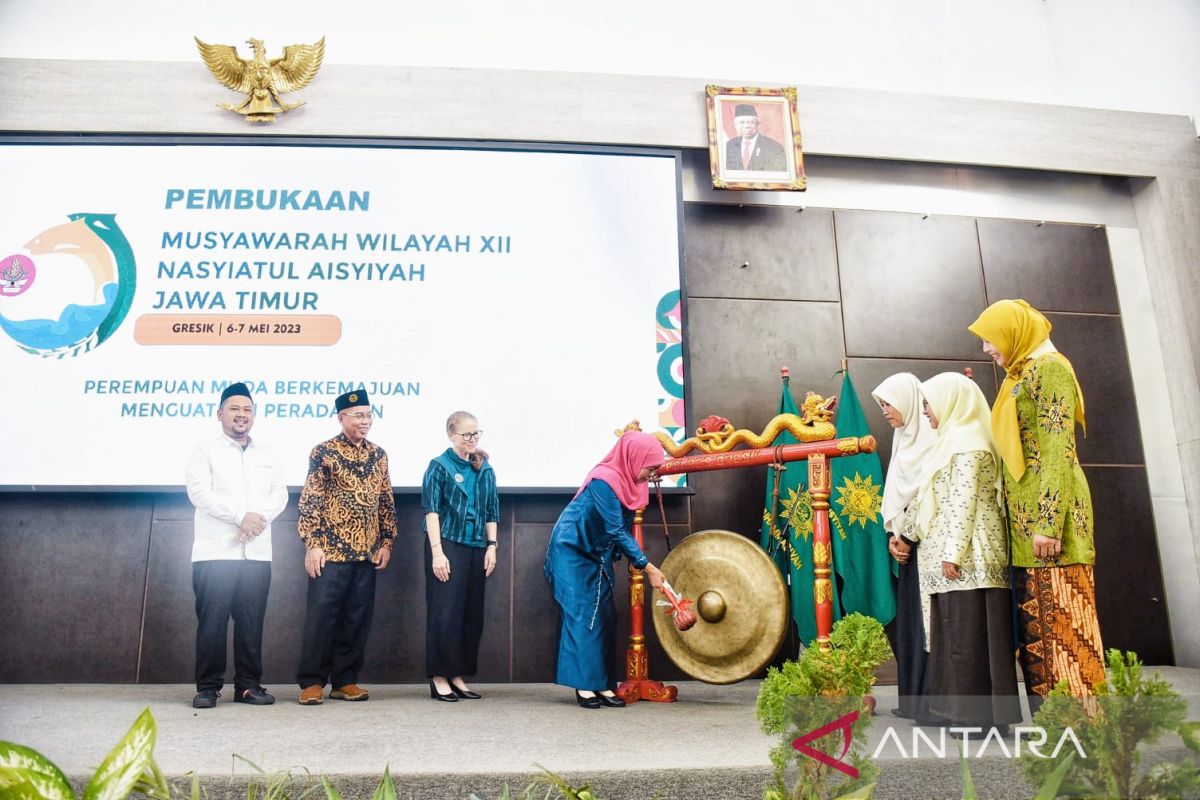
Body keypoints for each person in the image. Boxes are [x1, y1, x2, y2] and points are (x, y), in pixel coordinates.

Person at [969, 299, 1104, 712]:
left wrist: (1048, 522)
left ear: (1014, 332)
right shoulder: (1020, 375)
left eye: (991, 340)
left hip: (1053, 524)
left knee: (1066, 623)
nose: (987, 350)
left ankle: (1082, 724)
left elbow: (1058, 449)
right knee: (1039, 626)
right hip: (1027, 524)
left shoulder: (1051, 369)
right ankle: (1054, 725)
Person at [912, 372, 1021, 732]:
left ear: (950, 400)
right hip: (951, 557)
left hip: (970, 556)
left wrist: (953, 553)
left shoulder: (969, 443)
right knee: (957, 635)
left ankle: (977, 718)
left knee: (971, 637)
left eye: (929, 402)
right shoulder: (951, 441)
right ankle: (963, 715)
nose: (926, 411)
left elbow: (962, 504)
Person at [544, 430, 667, 709]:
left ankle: (602, 684)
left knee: (604, 614)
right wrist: (648, 567)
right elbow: (616, 529)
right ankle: (585, 686)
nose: (651, 474)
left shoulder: (633, 481)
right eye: (650, 468)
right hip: (571, 548)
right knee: (582, 613)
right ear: (634, 459)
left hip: (597, 550)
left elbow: (618, 529)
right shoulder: (605, 480)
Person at [185, 381, 288, 709]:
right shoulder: (205, 450)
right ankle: (208, 687)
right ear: (219, 414)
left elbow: (279, 493)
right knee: (212, 624)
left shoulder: (269, 452)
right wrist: (240, 515)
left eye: (247, 410)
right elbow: (199, 493)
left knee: (251, 624)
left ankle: (248, 685)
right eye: (234, 409)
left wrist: (258, 519)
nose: (241, 415)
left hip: (257, 553)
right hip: (216, 553)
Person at [296, 390, 397, 705]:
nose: (365, 421)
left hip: (367, 553)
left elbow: (386, 501)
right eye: (358, 415)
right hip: (330, 551)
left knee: (357, 619)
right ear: (341, 418)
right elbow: (311, 500)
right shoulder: (323, 452)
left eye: (368, 415)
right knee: (321, 619)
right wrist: (312, 544)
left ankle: (345, 680)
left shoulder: (379, 454)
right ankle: (312, 682)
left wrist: (387, 541)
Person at [871, 372, 938, 722]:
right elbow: (896, 499)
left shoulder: (932, 441)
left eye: (889, 403)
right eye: (881, 405)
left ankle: (930, 702)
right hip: (905, 550)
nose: (885, 410)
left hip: (930, 549)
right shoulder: (902, 442)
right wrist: (893, 539)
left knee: (929, 626)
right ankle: (913, 701)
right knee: (910, 624)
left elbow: (929, 496)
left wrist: (908, 537)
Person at [421, 411, 500, 702]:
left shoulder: (484, 467)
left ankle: (457, 674)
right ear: (451, 435)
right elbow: (431, 511)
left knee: (470, 614)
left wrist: (492, 545)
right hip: (447, 545)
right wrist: (437, 553)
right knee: (445, 613)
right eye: (466, 434)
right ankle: (440, 677)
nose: (472, 439)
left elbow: (492, 509)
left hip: (477, 546)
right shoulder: (438, 466)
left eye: (476, 434)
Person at [724, 103, 789, 172]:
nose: (746, 126)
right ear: (734, 125)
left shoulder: (774, 147)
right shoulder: (729, 145)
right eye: (742, 122)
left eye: (751, 122)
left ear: (758, 124)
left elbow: (780, 173)